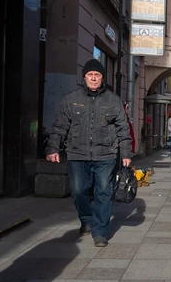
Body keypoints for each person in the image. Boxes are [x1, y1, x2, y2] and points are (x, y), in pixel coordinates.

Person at [46, 58, 132, 247]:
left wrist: (126, 153)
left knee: (103, 192)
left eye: (97, 75)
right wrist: (53, 148)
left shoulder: (113, 100)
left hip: (106, 155)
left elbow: (123, 129)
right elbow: (60, 126)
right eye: (90, 75)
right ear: (84, 77)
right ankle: (86, 219)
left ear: (102, 78)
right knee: (78, 191)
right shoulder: (71, 99)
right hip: (77, 153)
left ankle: (100, 231)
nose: (93, 78)